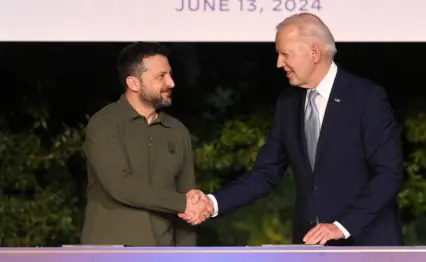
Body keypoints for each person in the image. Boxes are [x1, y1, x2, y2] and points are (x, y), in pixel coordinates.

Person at [180, 13, 405, 246]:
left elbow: (389, 174)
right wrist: (212, 203)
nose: (279, 63)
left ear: (314, 53)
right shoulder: (288, 103)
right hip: (311, 246)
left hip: (367, 245)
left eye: (285, 54)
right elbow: (266, 172)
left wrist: (342, 226)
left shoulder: (366, 97)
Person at [81, 42, 211, 246]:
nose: (171, 82)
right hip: (110, 253)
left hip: (163, 253)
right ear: (133, 83)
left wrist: (187, 256)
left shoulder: (177, 131)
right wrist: (182, 203)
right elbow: (120, 185)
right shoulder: (104, 124)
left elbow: (188, 198)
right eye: (161, 76)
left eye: (170, 74)